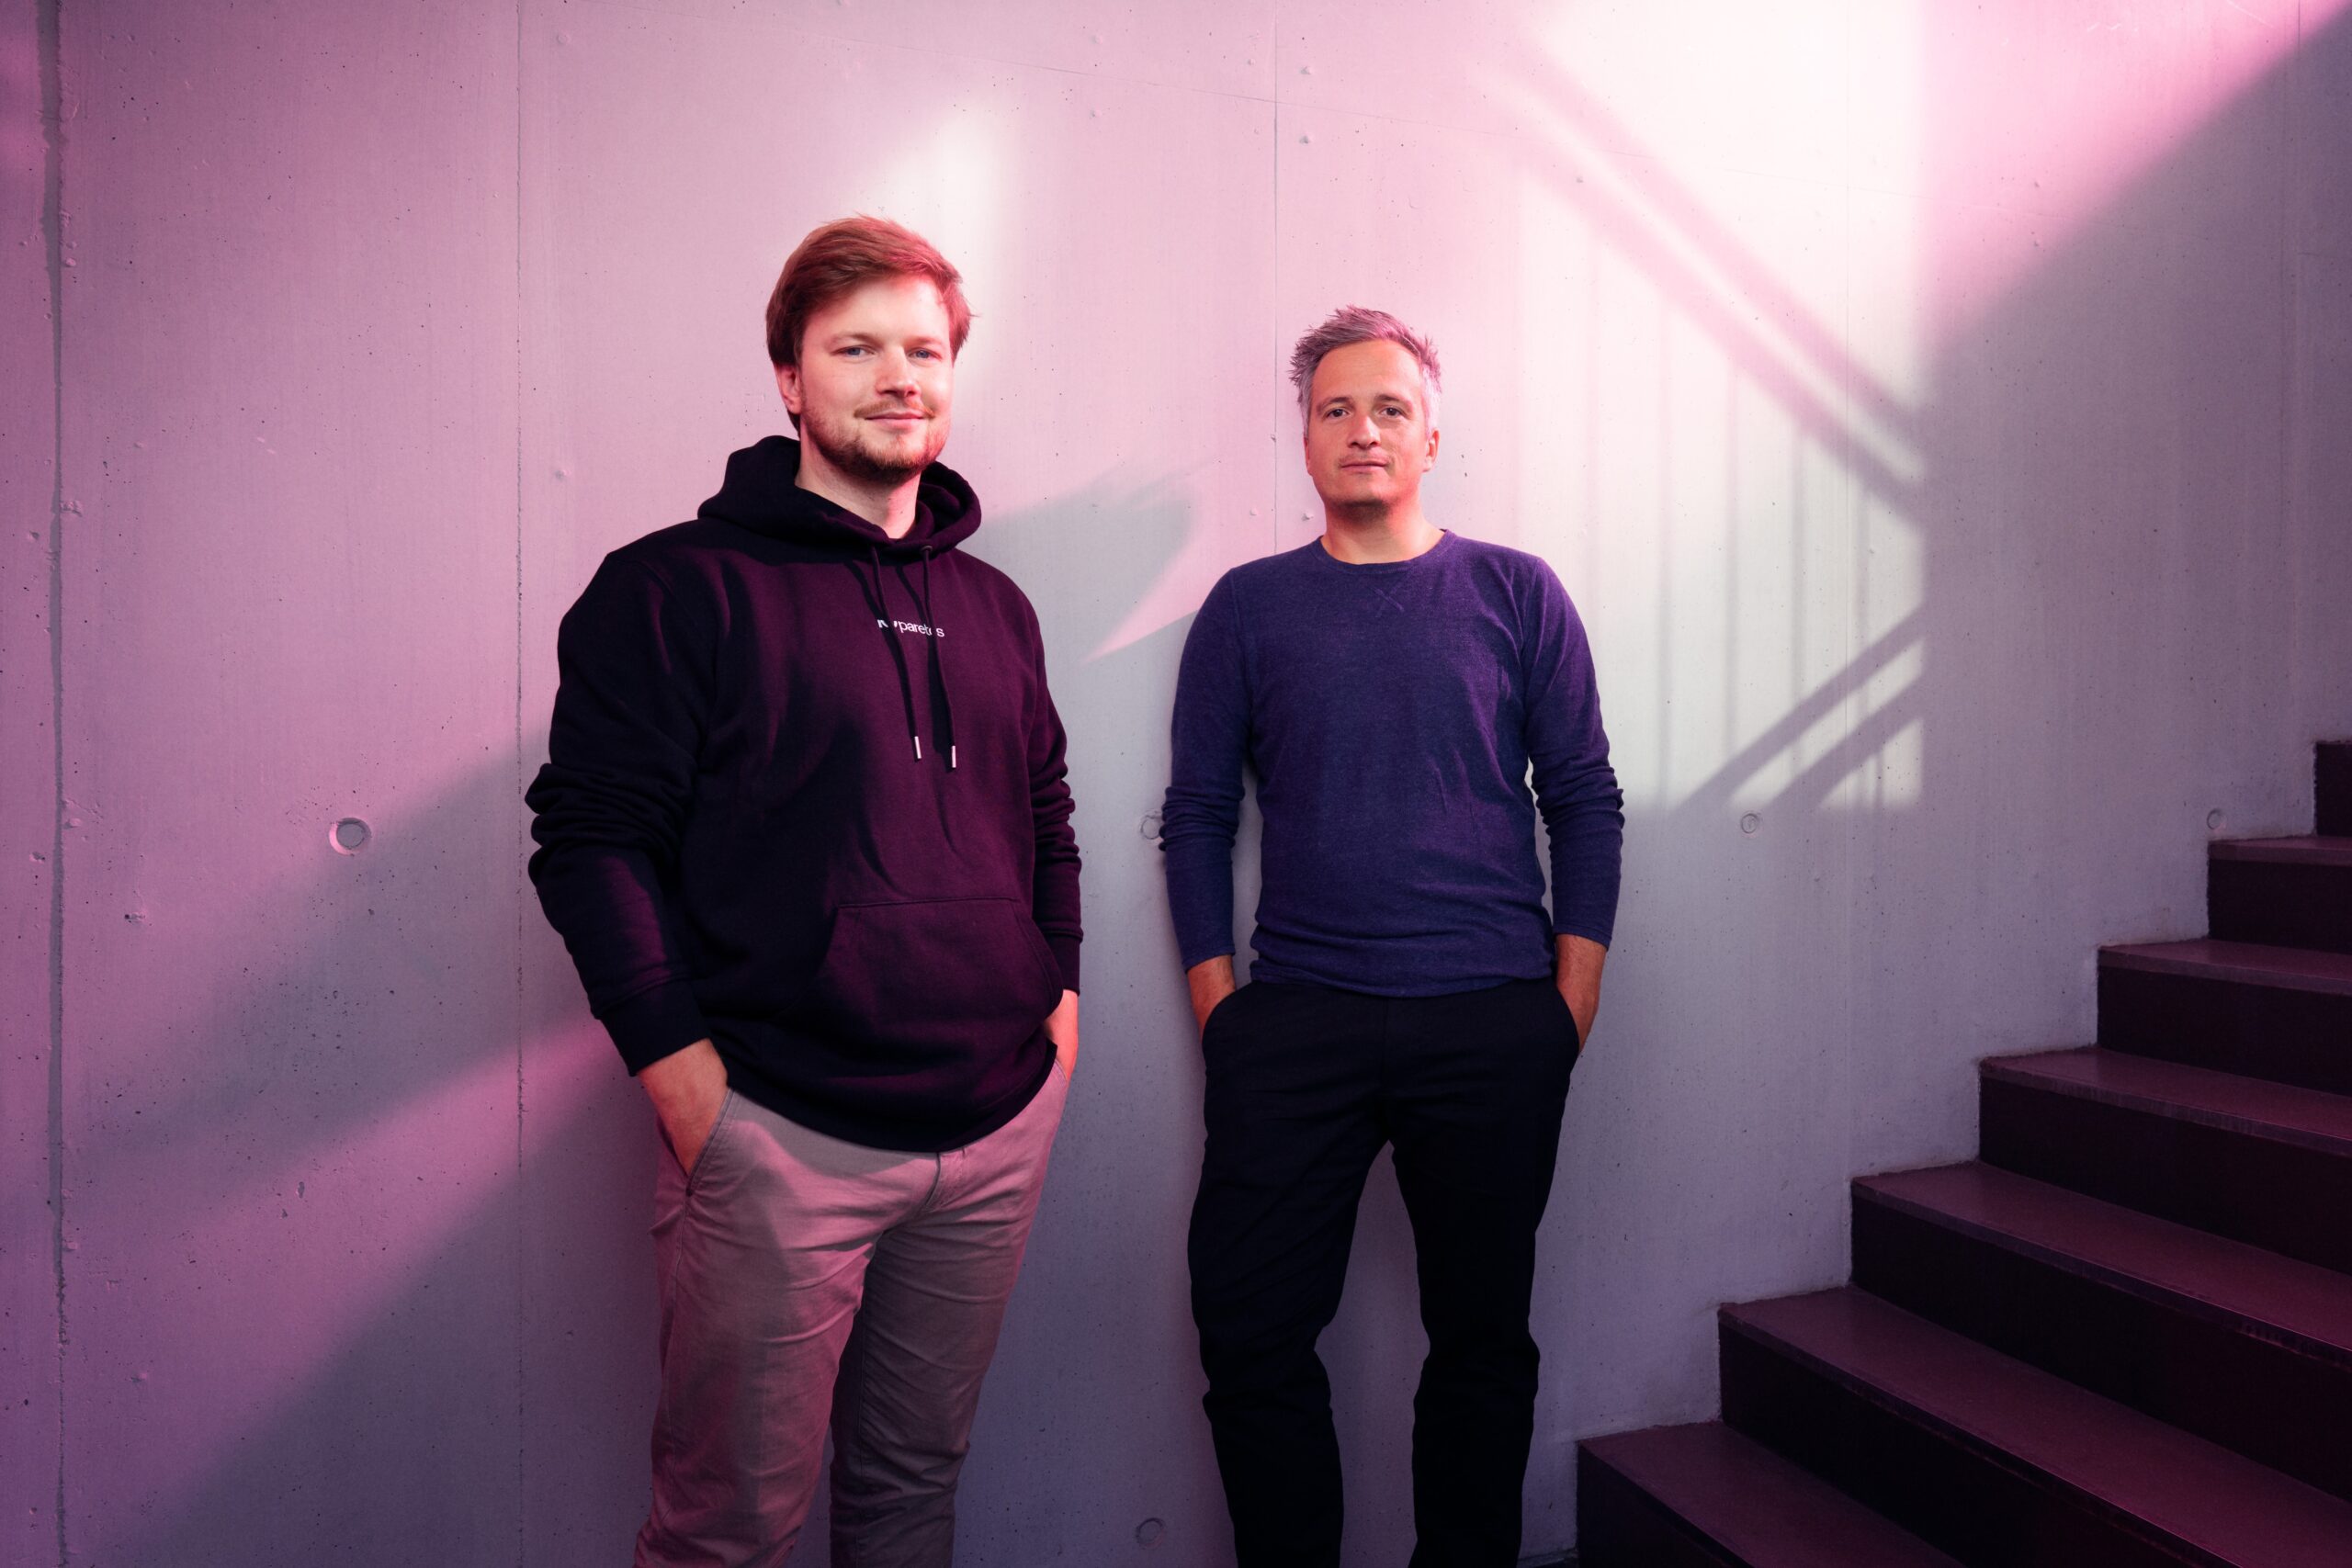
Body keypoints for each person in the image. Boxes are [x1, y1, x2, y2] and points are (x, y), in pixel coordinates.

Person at [526, 215, 1080, 1568]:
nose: (901, 376)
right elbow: (590, 842)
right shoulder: (673, 589)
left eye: (926, 350)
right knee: (729, 1531)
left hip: (993, 1129)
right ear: (788, 378)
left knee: (908, 1493)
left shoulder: (998, 604)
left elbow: (1045, 814)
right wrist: (685, 1082)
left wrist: (1057, 1012)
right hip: (780, 1135)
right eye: (859, 348)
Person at [1160, 306, 1623, 1567]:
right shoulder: (1248, 608)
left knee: (1480, 1343)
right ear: (1305, 435)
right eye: (1335, 409)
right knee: (1251, 1333)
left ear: (1431, 436)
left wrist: (1562, 1009)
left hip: (1490, 1017)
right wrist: (1224, 1009)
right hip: (1296, 1021)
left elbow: (1582, 797)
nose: (1363, 429)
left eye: (1390, 409)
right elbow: (1197, 815)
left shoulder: (1515, 592)